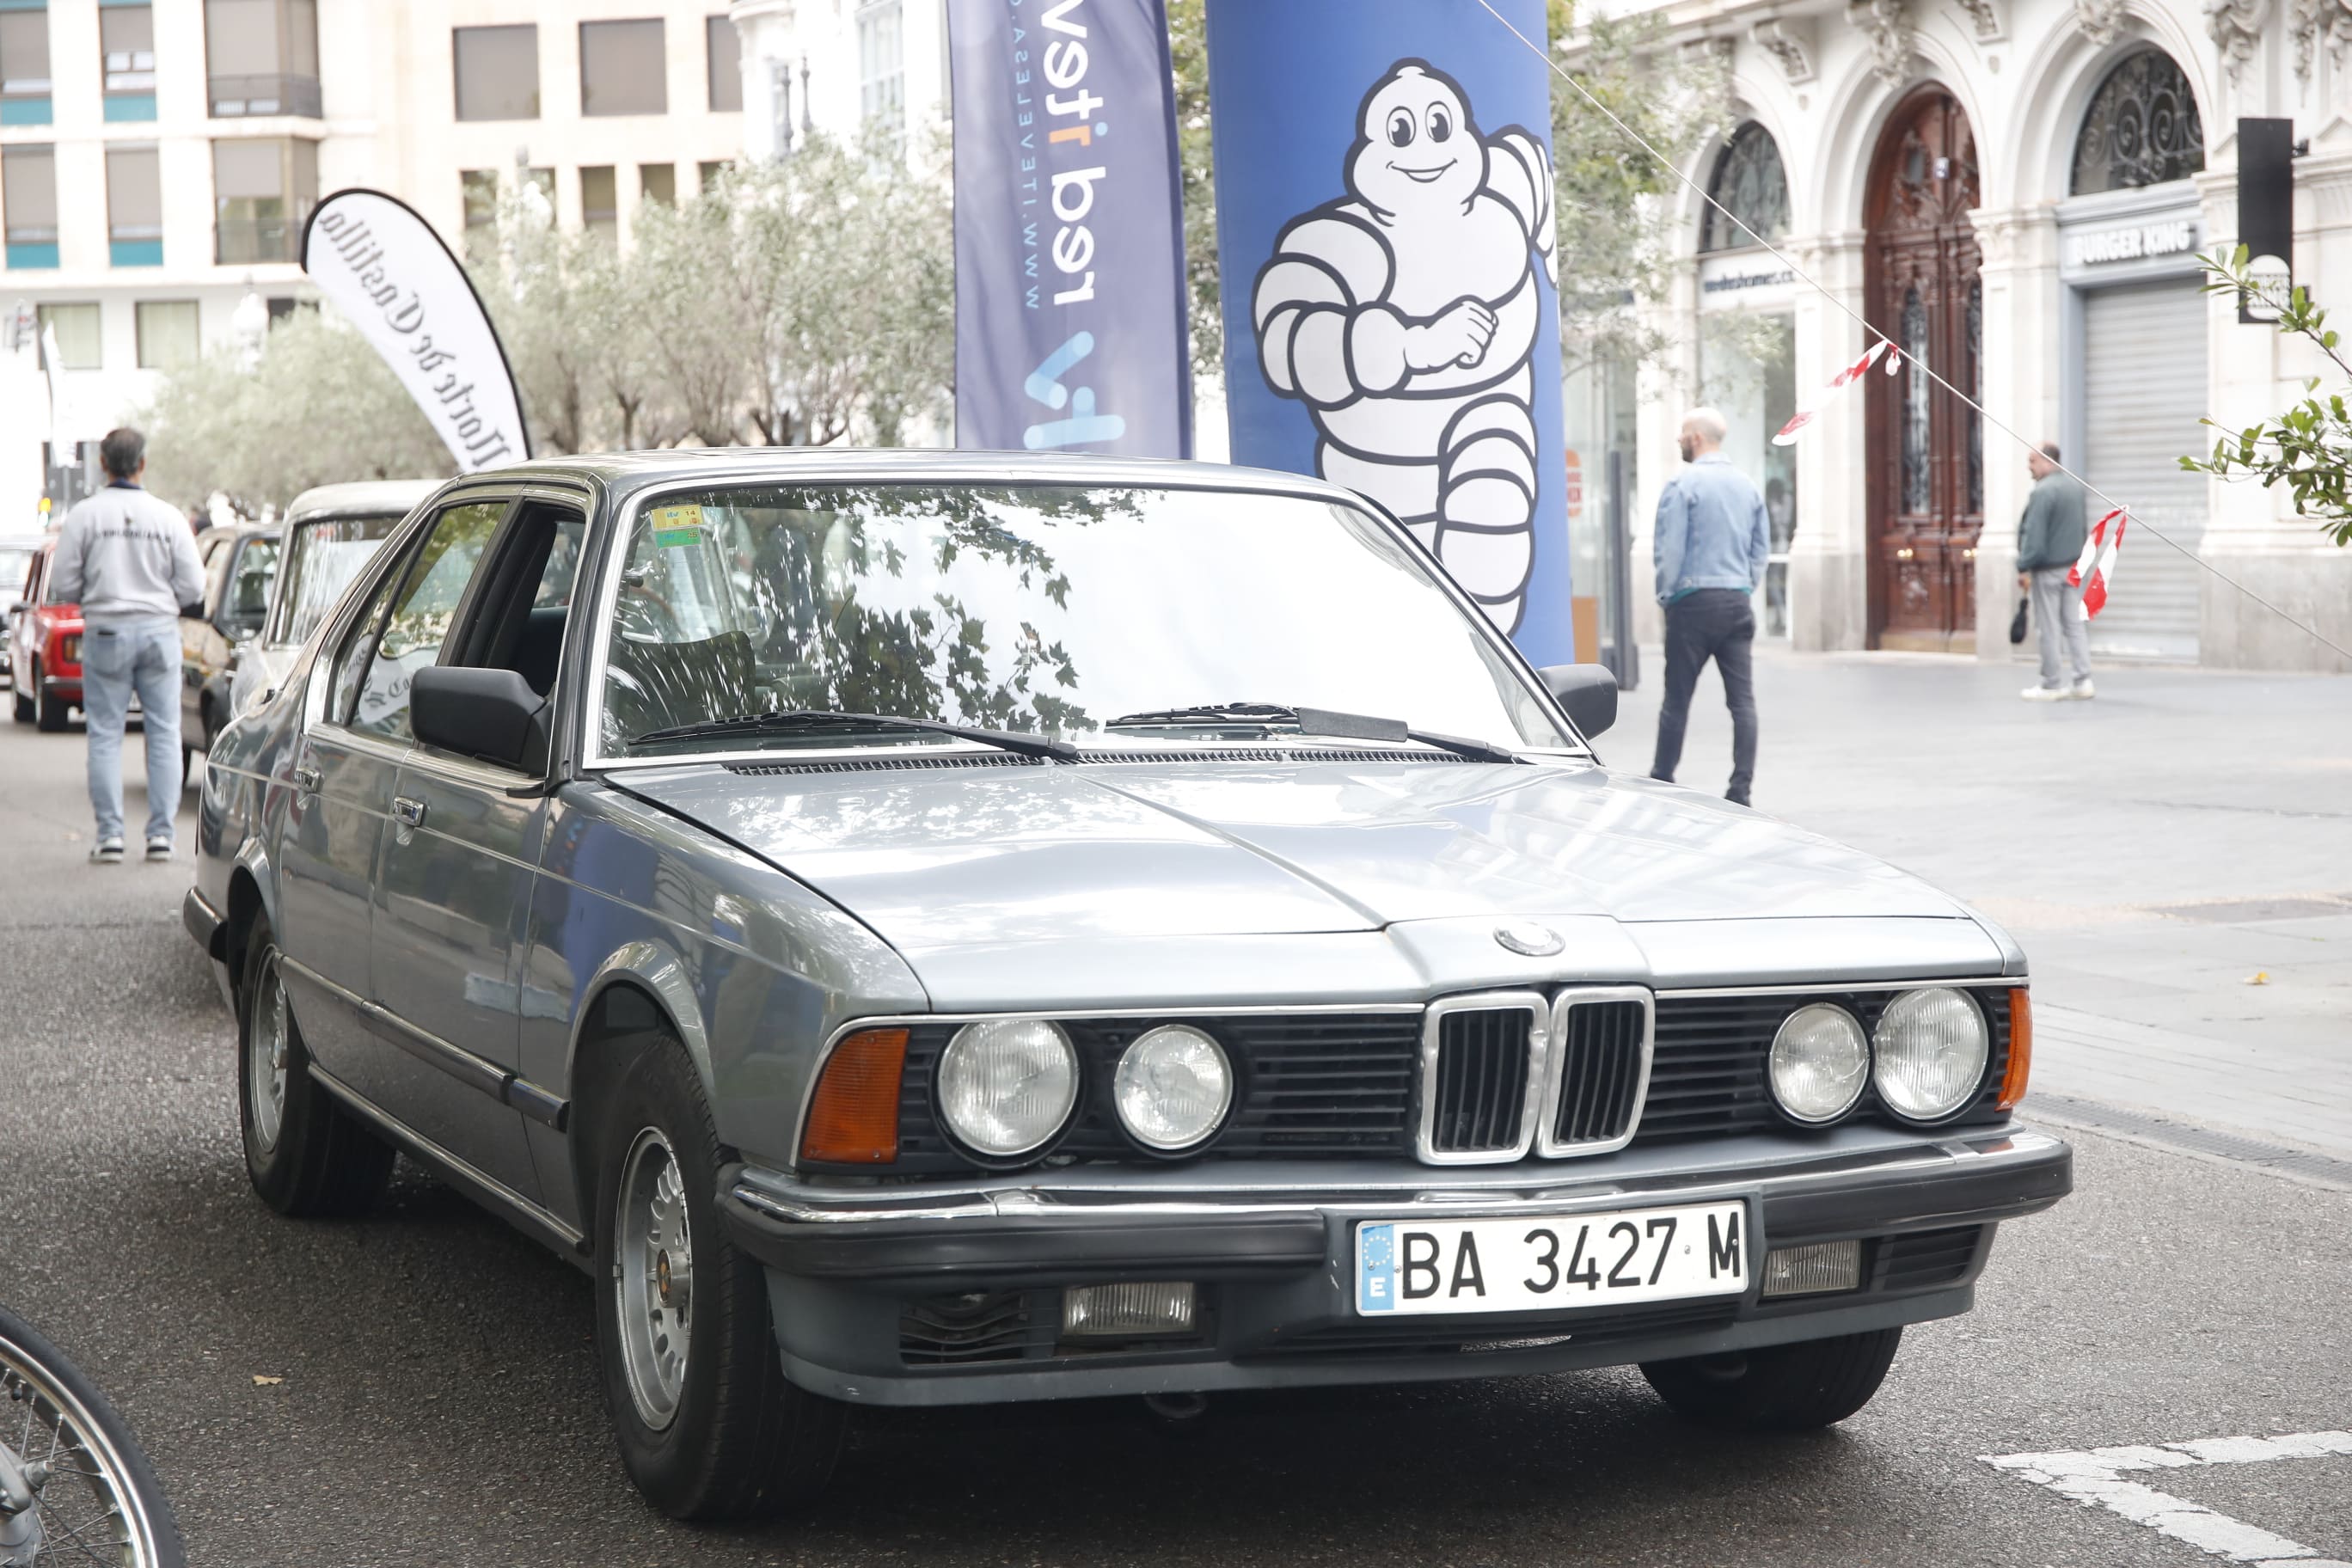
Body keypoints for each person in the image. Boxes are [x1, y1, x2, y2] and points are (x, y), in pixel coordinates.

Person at [47, 426, 203, 863]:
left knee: (104, 736)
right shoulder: (168, 517)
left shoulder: (85, 515)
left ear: (102, 463)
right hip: (158, 632)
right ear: (142, 463)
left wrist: (100, 593)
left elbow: (62, 582)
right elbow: (193, 586)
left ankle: (111, 837)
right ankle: (161, 837)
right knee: (164, 734)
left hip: (107, 633)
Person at [1650, 407, 1769, 807]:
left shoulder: (1682, 484)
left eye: (1683, 434)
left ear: (1696, 438)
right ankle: (1741, 789)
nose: (1680, 441)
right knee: (1742, 702)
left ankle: (1662, 779)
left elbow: (1670, 550)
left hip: (1692, 604)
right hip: (1736, 602)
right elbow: (1760, 550)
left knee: (1677, 699)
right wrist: (1742, 585)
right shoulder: (1748, 486)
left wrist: (1668, 595)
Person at [2014, 440, 2092, 701]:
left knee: (2048, 628)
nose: (2029, 467)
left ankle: (2051, 684)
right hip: (2072, 567)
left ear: (2048, 461)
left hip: (2048, 570)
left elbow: (2034, 537)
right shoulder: (2075, 487)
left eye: (2032, 461)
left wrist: (2023, 565)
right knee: (2074, 625)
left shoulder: (2043, 492)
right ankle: (2083, 681)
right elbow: (2083, 530)